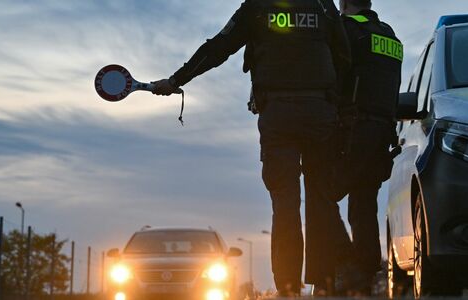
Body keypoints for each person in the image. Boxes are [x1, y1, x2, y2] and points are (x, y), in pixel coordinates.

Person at [150, 0, 351, 296]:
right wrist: (337, 106)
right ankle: (324, 285)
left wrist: (176, 80)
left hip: (278, 114)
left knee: (284, 203)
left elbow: (218, 48)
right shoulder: (322, 5)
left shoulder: (258, 6)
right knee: (321, 200)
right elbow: (343, 56)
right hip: (320, 112)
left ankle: (288, 287)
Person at [332, 0, 403, 295]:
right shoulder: (390, 35)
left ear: (344, 3)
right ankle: (365, 273)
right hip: (382, 132)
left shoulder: (346, 30)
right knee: (363, 203)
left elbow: (335, 78)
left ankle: (349, 265)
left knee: (324, 194)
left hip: (352, 128)